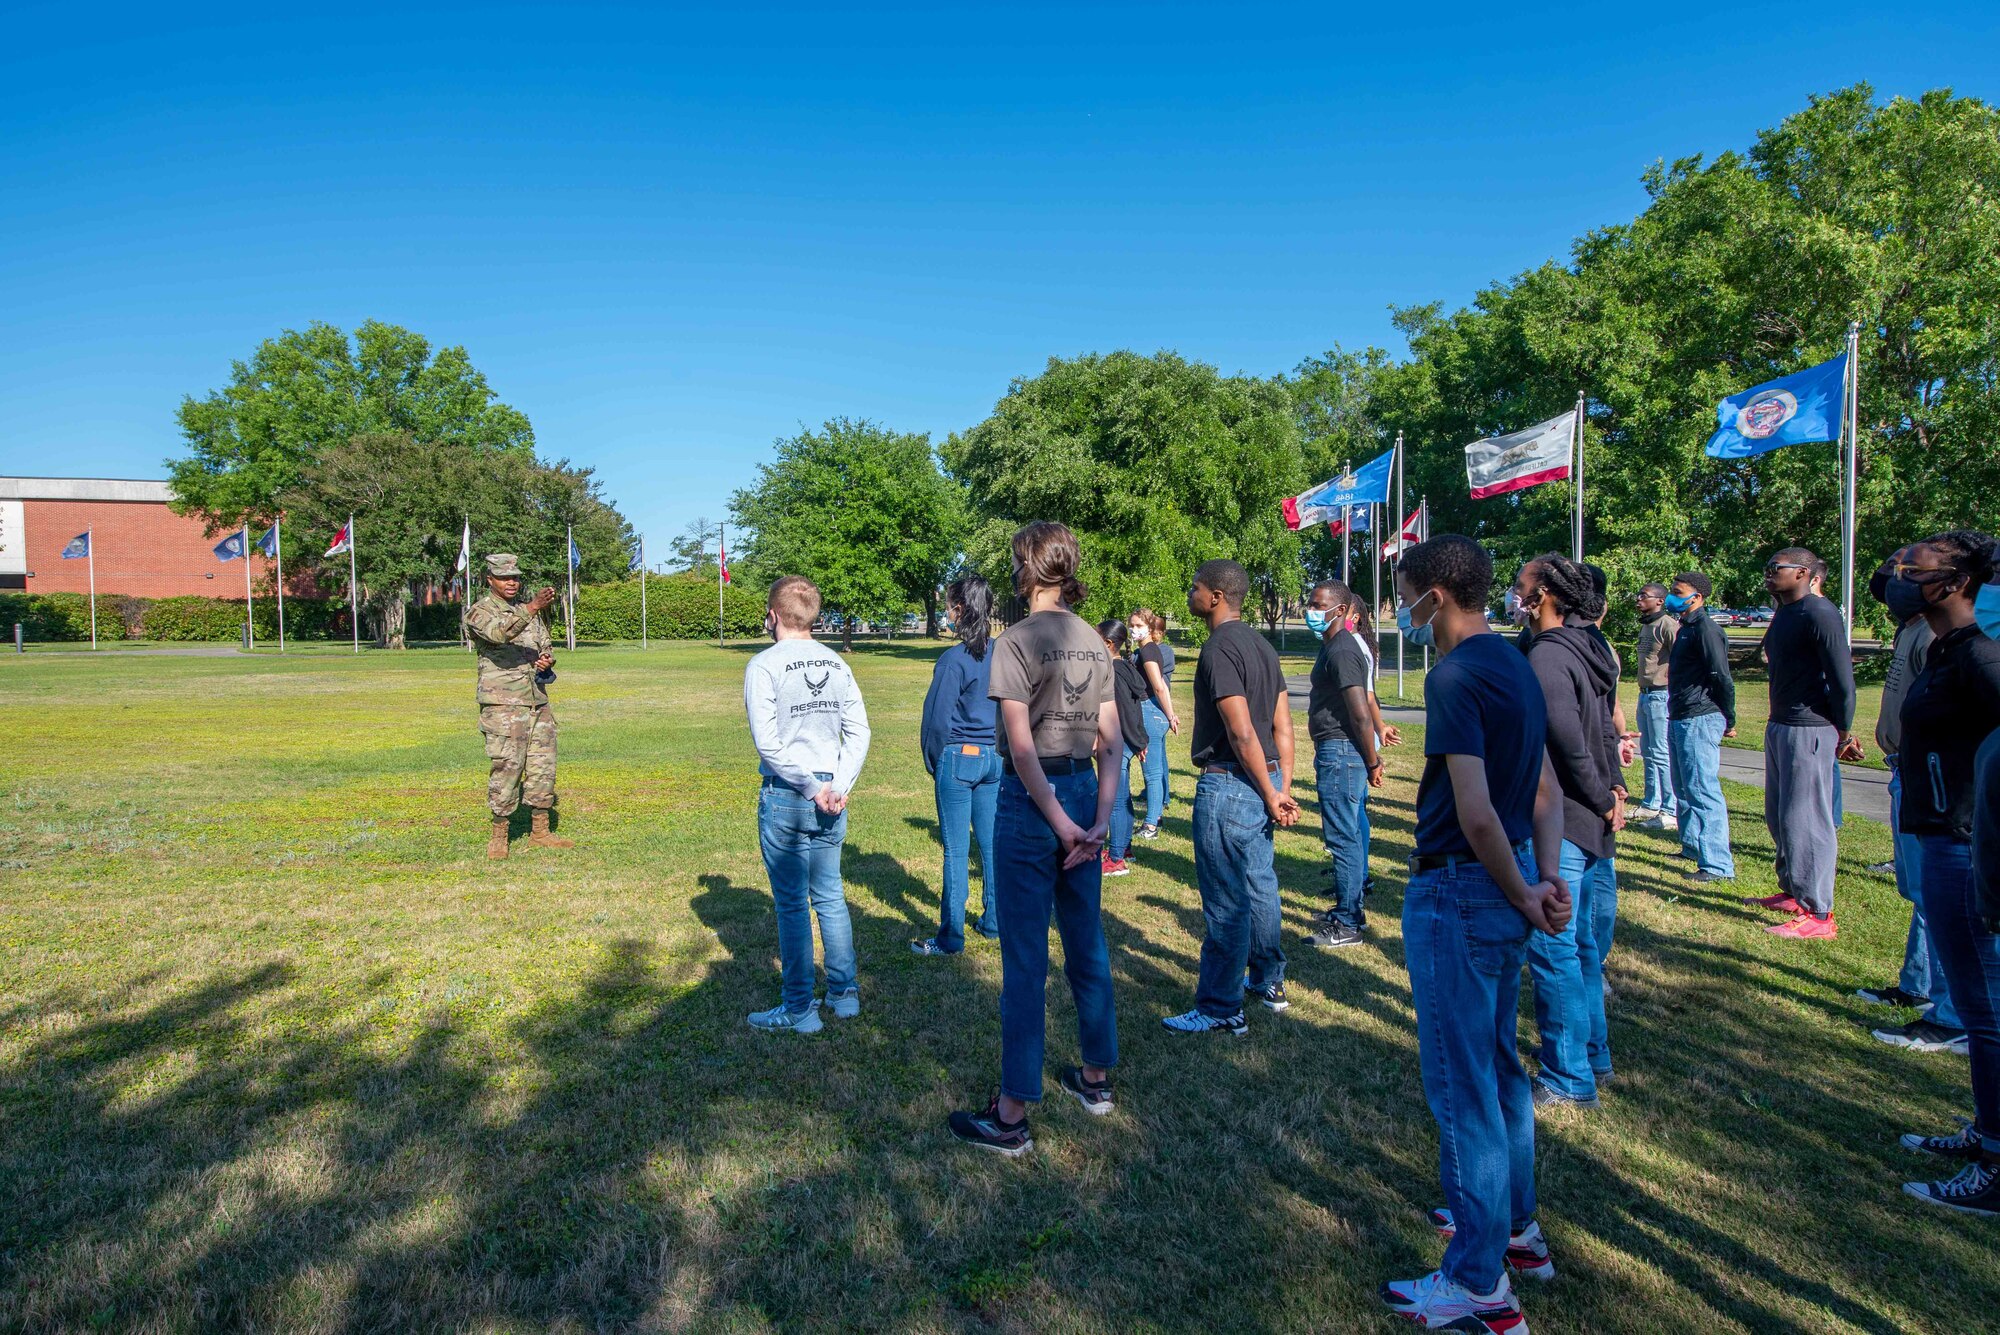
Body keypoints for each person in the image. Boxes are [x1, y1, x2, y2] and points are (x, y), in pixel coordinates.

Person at [1378, 535, 1572, 1334]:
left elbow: (1478, 809)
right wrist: (1544, 877)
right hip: (1506, 882)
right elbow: (1547, 792)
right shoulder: (1518, 666)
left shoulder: (1455, 675)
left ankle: (1478, 1283)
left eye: (1403, 593)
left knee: (1463, 1087)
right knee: (1498, 1069)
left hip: (1462, 887)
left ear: (1435, 595)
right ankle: (1514, 1231)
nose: (1402, 610)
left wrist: (1529, 892)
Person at [949, 522, 1121, 1155]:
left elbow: (1020, 751)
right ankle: (1096, 1077)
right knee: (1087, 943)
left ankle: (1012, 1112)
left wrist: (1064, 824)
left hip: (1033, 806)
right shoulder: (1095, 642)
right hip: (1079, 797)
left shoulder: (1014, 641)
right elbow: (1113, 741)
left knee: (1025, 960)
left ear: (1025, 567)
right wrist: (1098, 822)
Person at [1889, 531, 2000, 1216]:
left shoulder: (1981, 658)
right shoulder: (1942, 648)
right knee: (1977, 1002)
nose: (1900, 576)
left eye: (1916, 569)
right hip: (1938, 838)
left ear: (1957, 583)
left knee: (1985, 1012)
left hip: (1962, 845)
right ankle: (1986, 1130)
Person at [1163, 559, 1300, 1034]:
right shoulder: (1263, 645)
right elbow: (1284, 726)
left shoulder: (1219, 648)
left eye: (1195, 587)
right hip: (1264, 781)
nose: (1190, 593)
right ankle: (1268, 980)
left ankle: (1222, 1007)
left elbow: (1242, 732)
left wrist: (1268, 791)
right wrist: (1282, 787)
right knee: (1260, 882)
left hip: (1231, 783)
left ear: (1217, 597)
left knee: (1225, 899)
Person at [1512, 554, 1621, 1109]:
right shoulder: (1590, 647)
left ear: (1545, 596)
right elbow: (1605, 727)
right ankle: (1593, 1056)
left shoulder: (1550, 655)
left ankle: (1568, 1077)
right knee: (1579, 948)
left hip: (1563, 820)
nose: (1514, 593)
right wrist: (1615, 792)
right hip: (1593, 816)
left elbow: (1569, 739)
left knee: (1554, 950)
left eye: (1522, 585)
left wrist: (1603, 795)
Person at [742, 576, 872, 1034]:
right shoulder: (837, 663)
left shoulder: (764, 664)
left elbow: (768, 743)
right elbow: (860, 731)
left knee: (795, 904)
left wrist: (813, 787)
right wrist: (837, 783)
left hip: (789, 793)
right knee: (830, 895)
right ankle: (843, 992)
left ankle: (800, 1009)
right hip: (829, 793)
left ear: (774, 615)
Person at [1860, 568, 1961, 1051]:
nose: (1894, 585)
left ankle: (1951, 1012)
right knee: (1919, 890)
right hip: (1904, 769)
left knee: (1938, 893)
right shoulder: (1912, 631)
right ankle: (1918, 985)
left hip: (1928, 776)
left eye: (1909, 574)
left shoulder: (1946, 640)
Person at [1746, 548, 1861, 939]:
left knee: (1807, 820)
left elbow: (1842, 677)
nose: (1768, 574)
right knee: (1780, 816)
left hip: (1810, 728)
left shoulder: (1820, 612)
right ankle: (1794, 892)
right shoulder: (1785, 612)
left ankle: (1818, 915)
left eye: (1775, 569)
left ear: (1803, 573)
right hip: (1781, 724)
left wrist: (1843, 730)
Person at [914, 575, 1000, 956]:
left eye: (949, 607)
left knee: (955, 849)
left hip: (959, 758)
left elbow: (936, 720)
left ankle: (950, 937)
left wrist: (935, 762)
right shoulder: (1004, 653)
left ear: (959, 610)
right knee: (991, 846)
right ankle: (995, 921)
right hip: (995, 758)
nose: (946, 614)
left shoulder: (953, 660)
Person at [465, 554, 570, 861]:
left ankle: (540, 832)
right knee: (507, 767)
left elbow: (543, 645)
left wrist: (545, 661)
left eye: (515, 577)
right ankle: (500, 835)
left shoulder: (530, 613)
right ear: (490, 580)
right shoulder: (479, 611)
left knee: (542, 767)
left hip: (537, 700)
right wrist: (533, 606)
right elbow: (499, 634)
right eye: (504, 577)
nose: (511, 582)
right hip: (503, 705)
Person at [1301, 578, 1384, 950]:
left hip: (1342, 752)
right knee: (1343, 834)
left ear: (1340, 610)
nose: (1311, 610)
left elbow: (1360, 713)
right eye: (1311, 603)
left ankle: (1348, 922)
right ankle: (1348, 910)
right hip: (1335, 751)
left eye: (1319, 605)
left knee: (1343, 837)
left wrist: (1371, 760)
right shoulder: (1333, 646)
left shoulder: (1342, 650)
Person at [1665, 572, 1737, 882]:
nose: (1672, 596)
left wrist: (1728, 717)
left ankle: (1718, 865)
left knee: (1702, 790)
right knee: (1683, 787)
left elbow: (1721, 676)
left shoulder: (1706, 630)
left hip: (1699, 716)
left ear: (1697, 598)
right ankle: (1692, 845)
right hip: (1680, 714)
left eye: (1678, 592)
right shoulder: (1685, 628)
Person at [1099, 617, 1150, 876]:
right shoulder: (1125, 666)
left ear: (1108, 644)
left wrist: (1138, 740)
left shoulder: (1115, 673)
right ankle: (1123, 846)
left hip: (1118, 742)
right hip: (1129, 741)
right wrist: (1140, 740)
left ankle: (1117, 859)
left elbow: (1125, 713)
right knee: (1123, 798)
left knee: (1116, 801)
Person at [1630, 583, 1679, 829]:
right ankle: (1651, 801)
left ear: (1660, 601)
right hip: (1645, 694)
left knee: (1661, 753)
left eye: (1644, 596)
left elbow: (1681, 659)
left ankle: (1670, 809)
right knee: (1648, 751)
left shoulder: (1668, 625)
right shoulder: (1647, 625)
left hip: (1661, 696)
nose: (1638, 599)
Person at [1130, 607, 1180, 839]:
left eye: (1139, 626)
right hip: (1153, 711)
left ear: (1151, 629)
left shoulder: (1148, 652)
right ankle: (1155, 817)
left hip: (1150, 711)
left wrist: (1170, 715)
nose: (1134, 630)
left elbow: (1159, 686)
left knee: (1151, 773)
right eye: (1131, 625)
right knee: (1155, 770)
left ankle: (1150, 825)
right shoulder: (1144, 650)